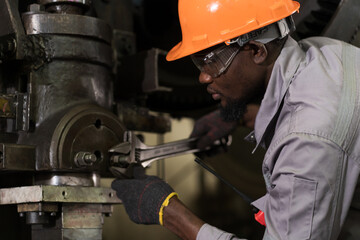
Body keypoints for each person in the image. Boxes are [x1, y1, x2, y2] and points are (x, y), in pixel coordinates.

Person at [111, 0, 360, 239]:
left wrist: (169, 212)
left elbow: (312, 134)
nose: (203, 78)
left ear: (256, 51)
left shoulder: (308, 143)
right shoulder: (323, 52)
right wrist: (239, 115)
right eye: (197, 62)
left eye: (212, 62)